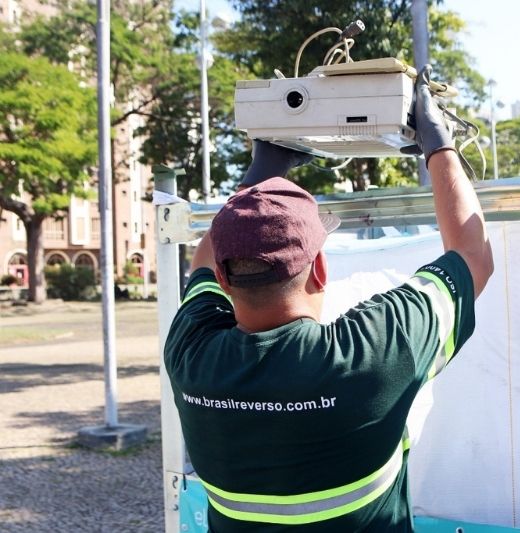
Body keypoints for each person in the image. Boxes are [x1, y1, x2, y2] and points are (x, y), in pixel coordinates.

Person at [164, 65, 494, 532]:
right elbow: (473, 255)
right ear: (319, 267)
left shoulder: (190, 353)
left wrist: (262, 177)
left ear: (224, 277)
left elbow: (205, 257)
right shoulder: (373, 352)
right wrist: (438, 141)